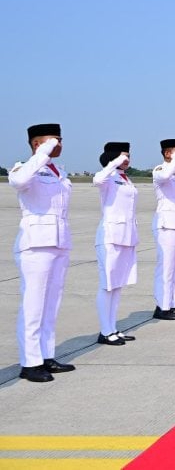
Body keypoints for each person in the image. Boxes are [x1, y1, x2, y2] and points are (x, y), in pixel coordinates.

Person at [10, 123, 75, 381]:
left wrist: (48, 155)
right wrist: (43, 152)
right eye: (53, 140)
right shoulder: (23, 168)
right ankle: (30, 362)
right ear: (37, 144)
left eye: (60, 139)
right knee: (33, 304)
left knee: (51, 304)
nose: (59, 144)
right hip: (35, 243)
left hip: (59, 241)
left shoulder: (58, 171)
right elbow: (19, 181)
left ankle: (46, 355)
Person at [93, 141, 139, 345]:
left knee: (118, 285)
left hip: (126, 236)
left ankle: (113, 327)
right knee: (108, 286)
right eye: (123, 156)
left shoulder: (123, 178)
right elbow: (97, 179)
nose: (127, 159)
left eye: (128, 156)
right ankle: (104, 331)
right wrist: (114, 162)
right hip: (110, 236)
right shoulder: (108, 176)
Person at [152, 138, 175, 321]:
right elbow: (164, 177)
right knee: (166, 267)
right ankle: (162, 306)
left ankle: (173, 304)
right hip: (167, 224)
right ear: (167, 153)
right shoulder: (160, 170)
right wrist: (173, 160)